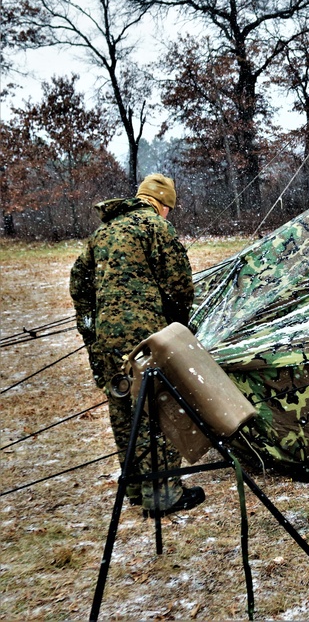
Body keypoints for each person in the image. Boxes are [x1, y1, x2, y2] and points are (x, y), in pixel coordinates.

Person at [70, 173, 205, 517]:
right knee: (156, 408)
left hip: (106, 337)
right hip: (146, 335)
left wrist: (92, 330)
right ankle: (162, 494)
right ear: (163, 204)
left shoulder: (103, 232)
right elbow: (179, 286)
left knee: (122, 404)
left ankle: (133, 485)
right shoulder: (155, 227)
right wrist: (177, 328)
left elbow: (79, 285)